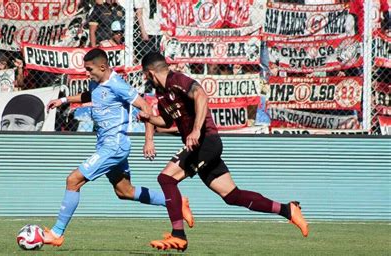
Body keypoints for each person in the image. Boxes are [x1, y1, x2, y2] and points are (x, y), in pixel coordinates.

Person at [139, 52, 309, 252]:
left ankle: (179, 235)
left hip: (205, 142)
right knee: (232, 195)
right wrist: (149, 118)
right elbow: (167, 122)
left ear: (150, 72)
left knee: (166, 179)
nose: (144, 79)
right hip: (200, 146)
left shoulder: (177, 80)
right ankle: (287, 210)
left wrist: (195, 130)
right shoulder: (162, 94)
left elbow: (201, 95)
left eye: (144, 75)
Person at [43, 48, 193, 247]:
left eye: (89, 69)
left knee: (73, 180)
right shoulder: (96, 82)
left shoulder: (118, 84)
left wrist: (149, 140)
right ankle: (175, 201)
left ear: (103, 66)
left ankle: (56, 233)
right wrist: (63, 100)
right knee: (125, 192)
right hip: (106, 144)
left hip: (114, 146)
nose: (87, 74)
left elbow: (146, 107)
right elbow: (91, 95)